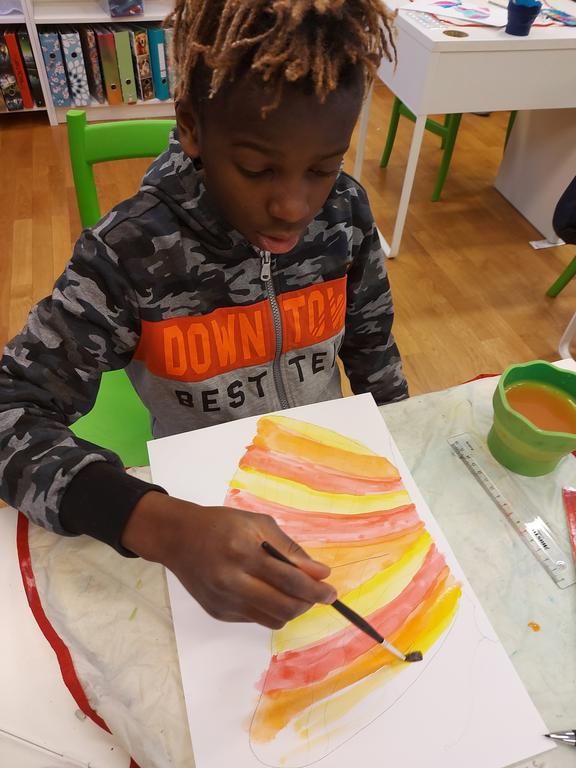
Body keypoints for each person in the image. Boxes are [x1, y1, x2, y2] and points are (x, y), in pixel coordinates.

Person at [0, 0, 407, 630]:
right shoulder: (129, 252)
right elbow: (10, 410)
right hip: (197, 506)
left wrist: (403, 445)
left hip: (327, 483)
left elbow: (373, 346)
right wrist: (159, 525)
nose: (294, 206)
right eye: (257, 168)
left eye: (323, 168)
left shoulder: (345, 215)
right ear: (191, 126)